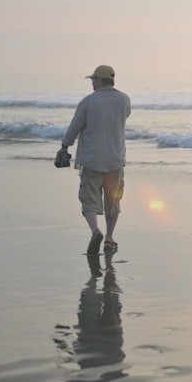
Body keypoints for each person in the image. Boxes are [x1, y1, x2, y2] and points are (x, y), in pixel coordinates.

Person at [59, 65, 132, 255]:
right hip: (115, 159)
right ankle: (109, 238)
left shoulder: (88, 102)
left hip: (91, 159)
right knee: (113, 200)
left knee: (89, 199)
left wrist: (65, 146)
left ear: (100, 80)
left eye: (93, 79)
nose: (92, 82)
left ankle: (95, 231)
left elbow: (75, 127)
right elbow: (125, 116)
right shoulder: (124, 100)